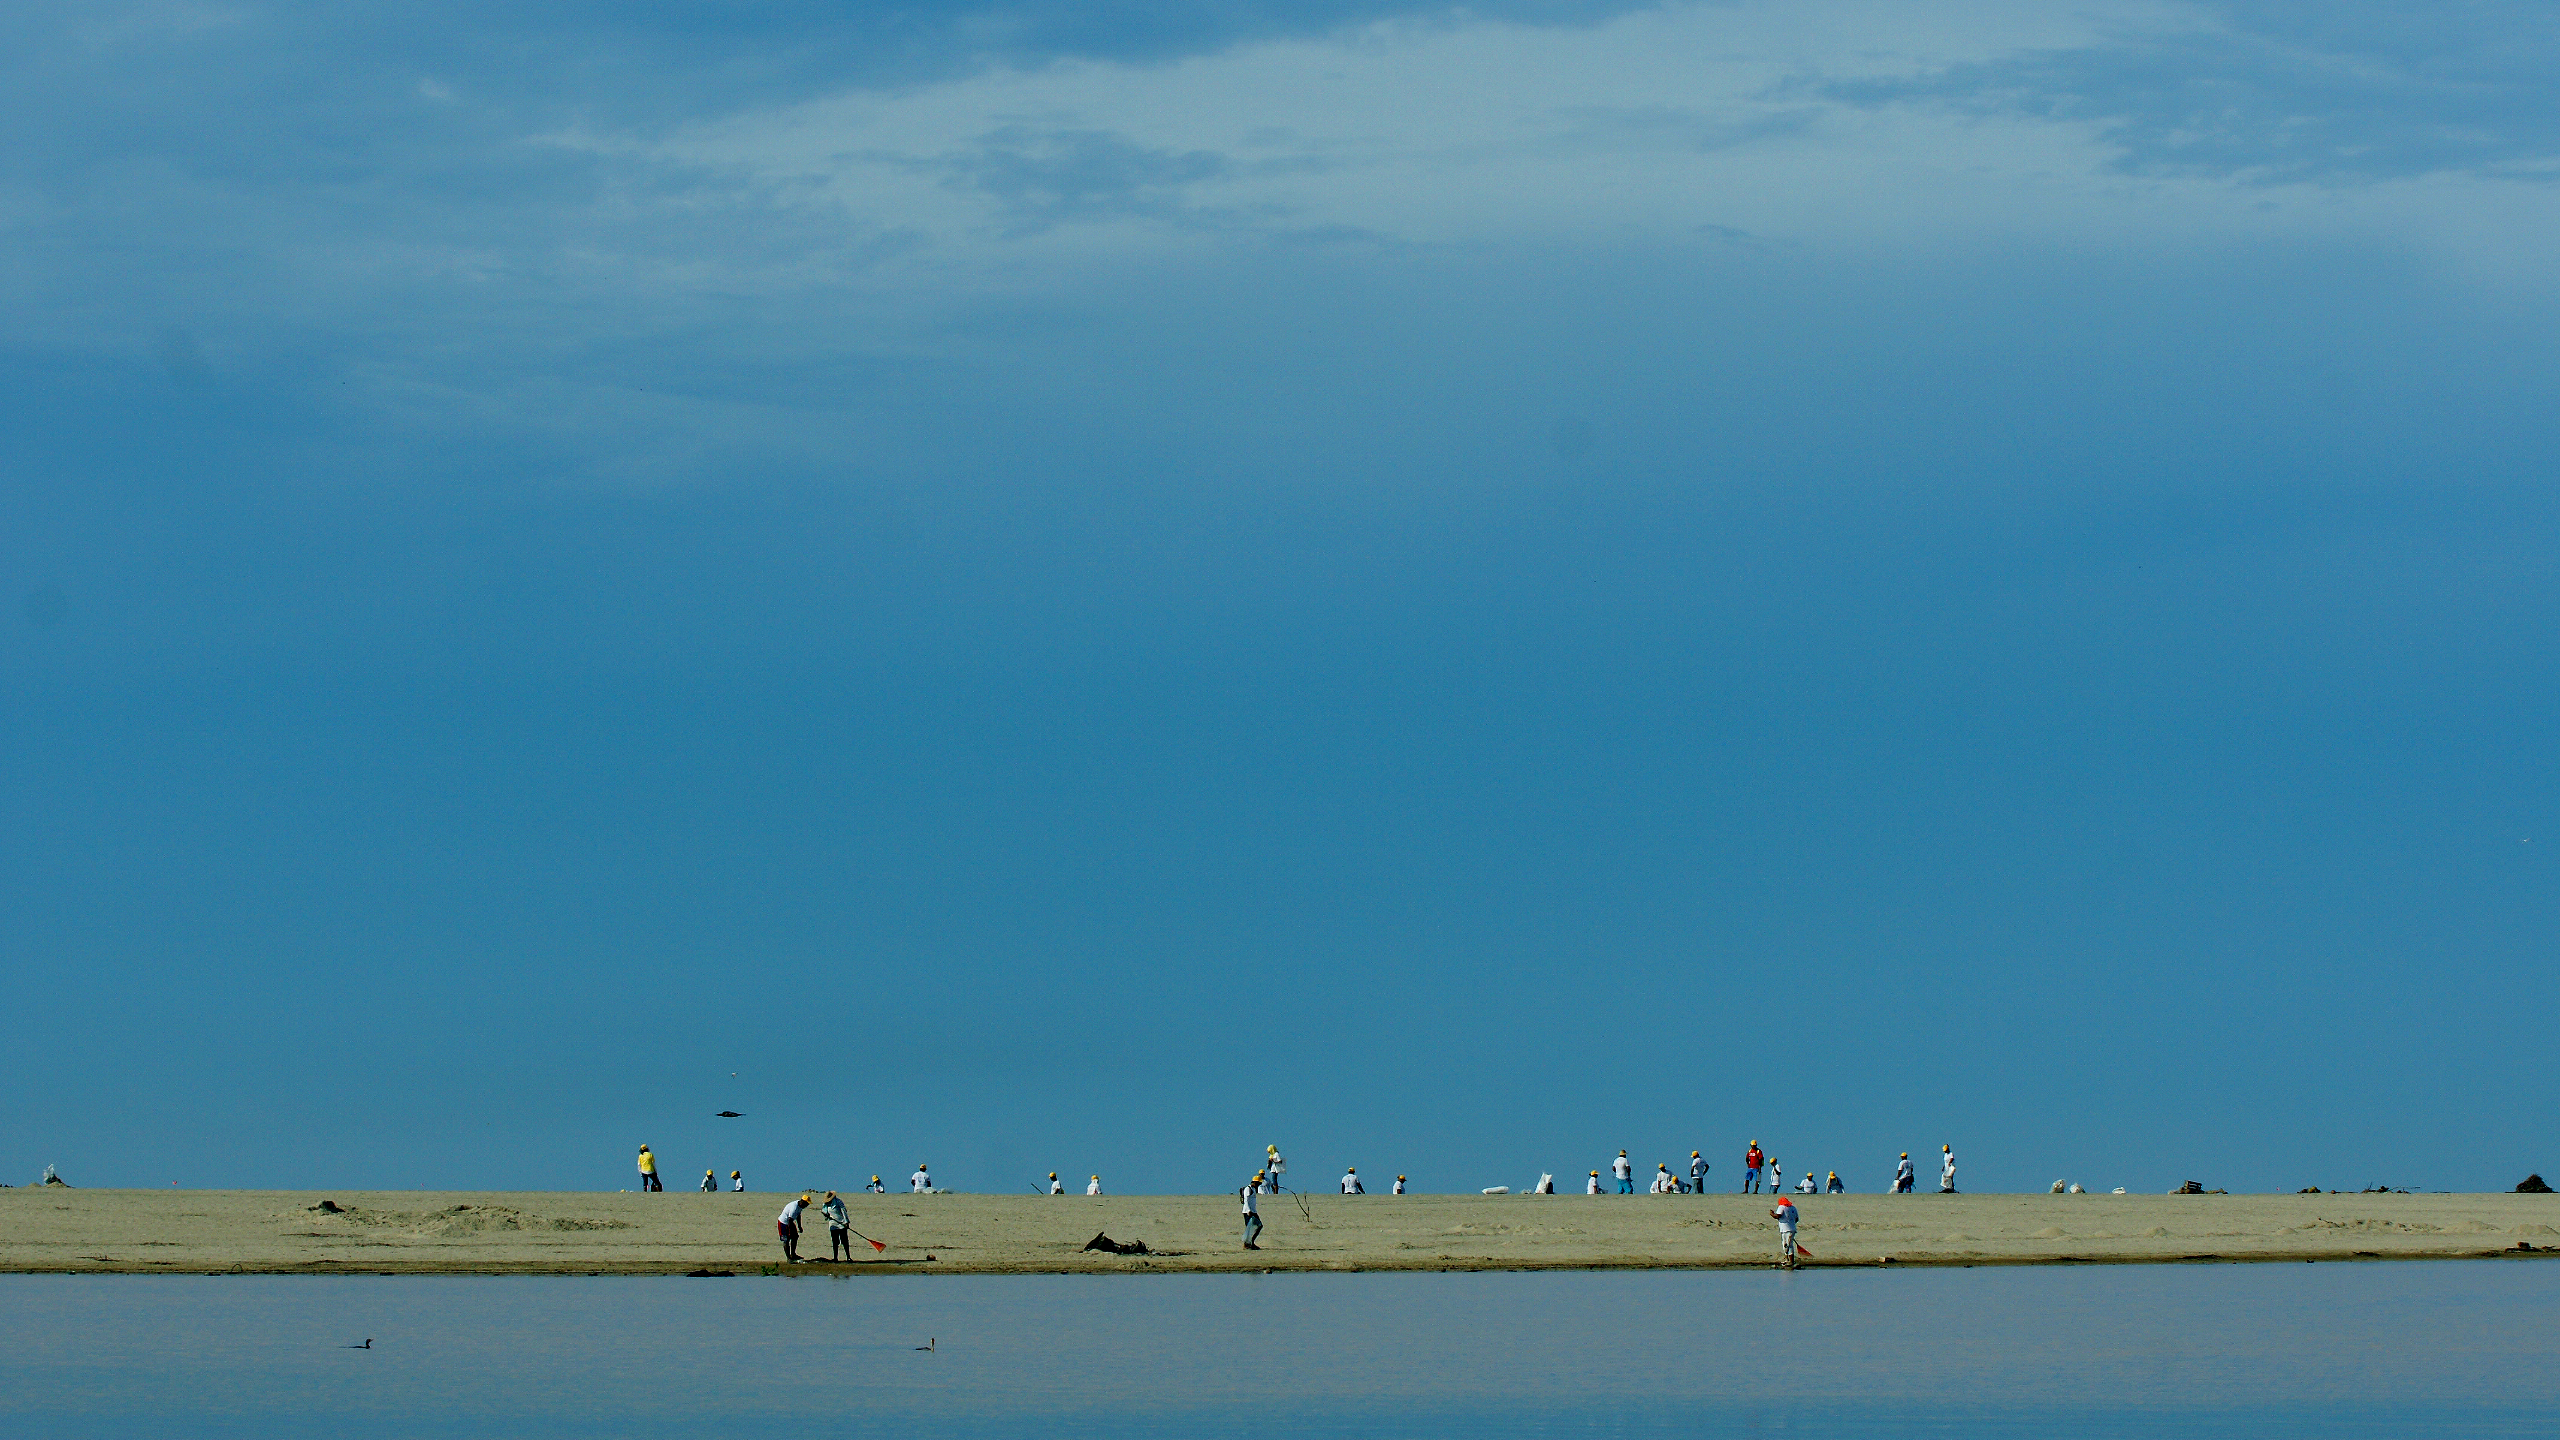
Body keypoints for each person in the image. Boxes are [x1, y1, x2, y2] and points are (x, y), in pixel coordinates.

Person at [777, 1193, 811, 1263]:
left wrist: (799, 1226)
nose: (807, 1206)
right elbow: (789, 1220)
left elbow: (798, 1216)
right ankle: (789, 1258)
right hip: (783, 1223)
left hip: (790, 1222)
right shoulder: (794, 1207)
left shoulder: (800, 1207)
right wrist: (790, 1231)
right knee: (786, 1240)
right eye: (807, 1204)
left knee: (795, 1237)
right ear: (803, 1201)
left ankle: (793, 1254)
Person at [1770, 1194, 1800, 1269]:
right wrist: (1791, 1223)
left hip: (1785, 1230)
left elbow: (1777, 1216)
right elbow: (1796, 1219)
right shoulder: (1793, 1208)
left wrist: (1772, 1214)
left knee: (1787, 1245)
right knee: (1786, 1244)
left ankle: (1791, 1261)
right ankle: (1787, 1259)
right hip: (1791, 1229)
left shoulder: (1781, 1207)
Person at [822, 1191, 852, 1260]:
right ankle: (835, 1258)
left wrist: (846, 1222)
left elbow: (844, 1211)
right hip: (833, 1224)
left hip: (842, 1224)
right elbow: (825, 1212)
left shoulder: (839, 1202)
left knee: (844, 1241)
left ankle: (848, 1257)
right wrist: (826, 1215)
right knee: (835, 1242)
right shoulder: (826, 1204)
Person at [1241, 1173, 1264, 1249]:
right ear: (1254, 1182)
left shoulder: (1253, 1189)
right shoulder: (1248, 1189)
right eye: (1259, 1183)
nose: (1259, 1184)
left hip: (1253, 1211)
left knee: (1259, 1226)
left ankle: (1251, 1242)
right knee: (1249, 1228)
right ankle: (1247, 1244)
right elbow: (1246, 1200)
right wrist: (1248, 1210)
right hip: (1248, 1212)